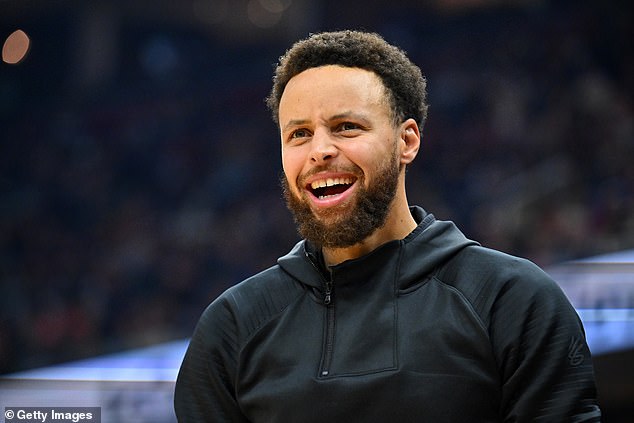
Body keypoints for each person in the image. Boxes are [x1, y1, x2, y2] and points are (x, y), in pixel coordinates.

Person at [174, 30, 601, 422]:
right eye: (299, 134)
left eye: (346, 127)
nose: (320, 150)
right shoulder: (231, 329)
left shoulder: (512, 300)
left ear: (407, 141)